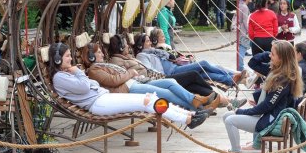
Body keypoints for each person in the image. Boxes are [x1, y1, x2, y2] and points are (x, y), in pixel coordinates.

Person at [48, 43, 208, 129]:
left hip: (103, 97)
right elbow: (84, 87)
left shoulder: (67, 74)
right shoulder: (60, 77)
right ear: (57, 59)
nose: (70, 59)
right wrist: (78, 72)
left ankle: (189, 115)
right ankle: (186, 119)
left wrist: (80, 76)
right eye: (67, 56)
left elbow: (91, 85)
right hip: (98, 103)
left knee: (152, 97)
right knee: (147, 102)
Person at [215, 40, 303, 153]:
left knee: (230, 120)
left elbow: (266, 106)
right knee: (227, 116)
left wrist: (241, 111)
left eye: (272, 54)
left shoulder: (284, 78)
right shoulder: (279, 71)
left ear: (282, 58)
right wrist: (269, 52)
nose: (269, 57)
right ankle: (235, 151)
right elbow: (253, 63)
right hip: (269, 117)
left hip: (272, 123)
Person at [108, 34, 247, 110]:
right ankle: (217, 97)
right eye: (125, 46)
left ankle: (225, 101)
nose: (128, 48)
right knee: (196, 72)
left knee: (196, 82)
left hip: (162, 76)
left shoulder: (140, 55)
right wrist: (132, 73)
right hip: (161, 78)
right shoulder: (137, 57)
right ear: (120, 48)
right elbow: (148, 72)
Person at [81, 43, 215, 111]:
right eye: (98, 53)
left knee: (171, 81)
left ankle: (195, 100)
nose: (102, 55)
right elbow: (113, 81)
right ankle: (197, 108)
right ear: (91, 56)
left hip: (134, 83)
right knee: (166, 93)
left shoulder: (103, 65)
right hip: (128, 88)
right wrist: (130, 73)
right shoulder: (94, 70)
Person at [133, 33, 246, 87]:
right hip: (171, 72)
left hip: (176, 67)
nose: (150, 43)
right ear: (140, 45)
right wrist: (162, 76)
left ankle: (230, 79)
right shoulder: (142, 55)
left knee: (202, 73)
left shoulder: (154, 51)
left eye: (149, 40)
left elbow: (169, 57)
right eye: (147, 41)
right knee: (204, 64)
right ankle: (232, 74)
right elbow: (149, 70)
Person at [237, 0, 252, 71]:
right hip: (243, 32)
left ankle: (239, 66)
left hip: (239, 30)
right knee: (242, 48)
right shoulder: (245, 7)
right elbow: (245, 21)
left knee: (240, 48)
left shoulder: (239, 5)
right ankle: (240, 67)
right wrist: (249, 32)